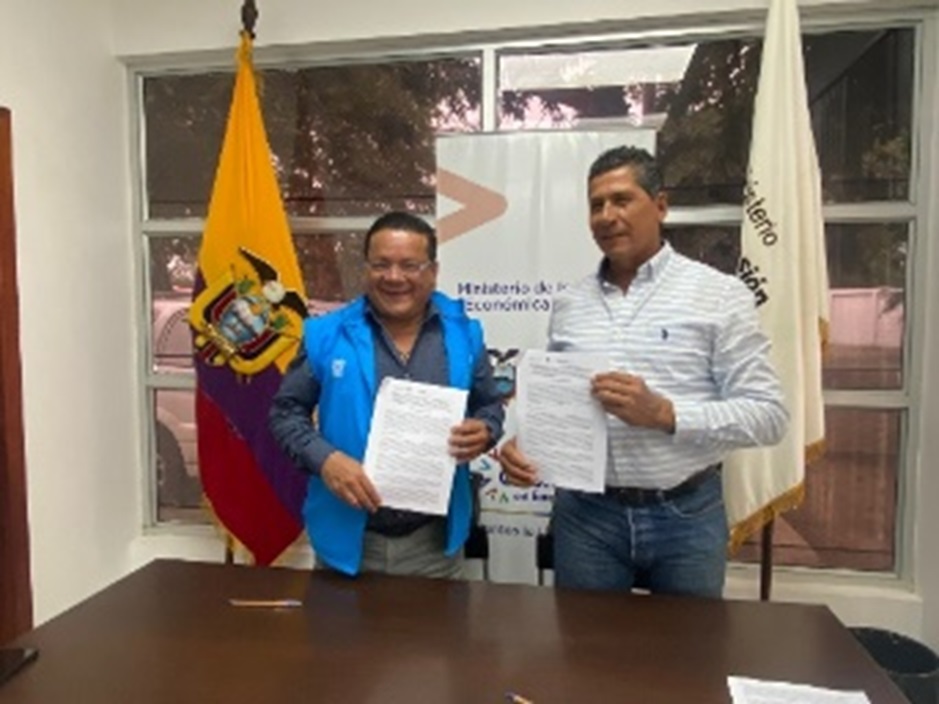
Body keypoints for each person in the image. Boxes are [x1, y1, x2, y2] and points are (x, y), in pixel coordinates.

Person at [499, 146, 788, 598]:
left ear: (661, 205)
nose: (607, 216)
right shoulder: (570, 304)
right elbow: (563, 403)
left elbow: (769, 416)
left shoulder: (720, 295)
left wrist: (666, 414)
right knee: (585, 641)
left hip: (686, 516)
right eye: (596, 205)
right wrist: (529, 444)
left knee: (685, 643)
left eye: (622, 200)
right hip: (586, 518)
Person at [270, 211, 504, 578]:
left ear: (433, 271)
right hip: (346, 543)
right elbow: (286, 412)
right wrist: (325, 460)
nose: (394, 277)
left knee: (437, 621)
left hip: (434, 547)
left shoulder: (464, 333)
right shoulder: (325, 334)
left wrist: (486, 430)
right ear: (366, 269)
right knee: (339, 620)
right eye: (381, 265)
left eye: (410, 265)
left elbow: (489, 404)